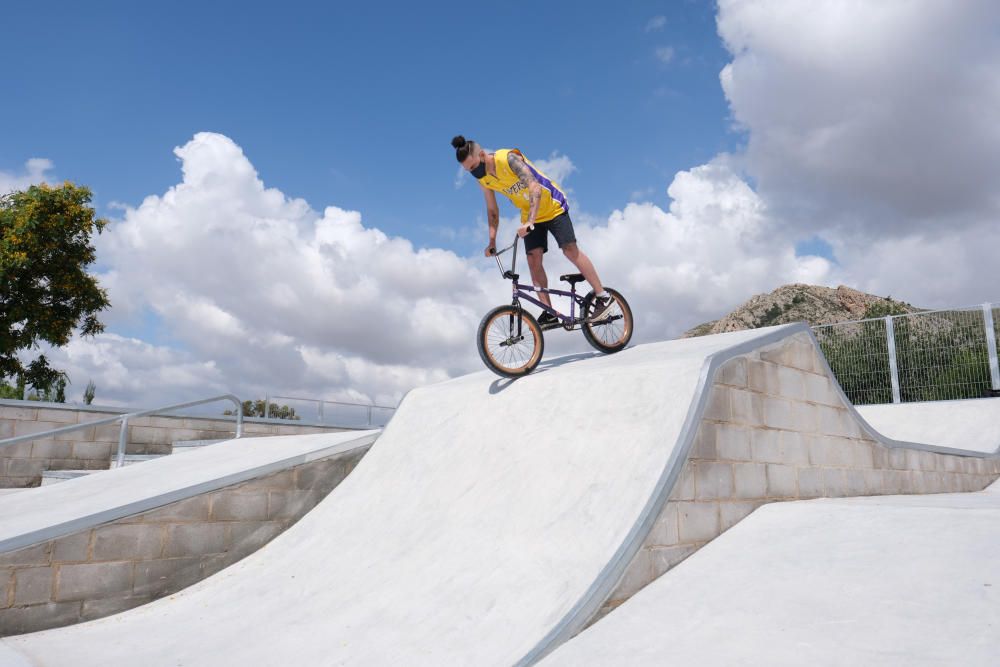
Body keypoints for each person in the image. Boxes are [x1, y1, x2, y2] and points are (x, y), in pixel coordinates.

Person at [451, 135, 615, 326]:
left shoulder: (508, 159)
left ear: (481, 154)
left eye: (473, 166)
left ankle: (603, 296)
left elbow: (534, 187)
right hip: (530, 213)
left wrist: (530, 222)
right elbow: (492, 210)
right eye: (468, 171)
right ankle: (549, 312)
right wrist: (492, 241)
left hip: (552, 206)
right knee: (532, 259)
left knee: (569, 250)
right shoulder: (484, 180)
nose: (473, 172)